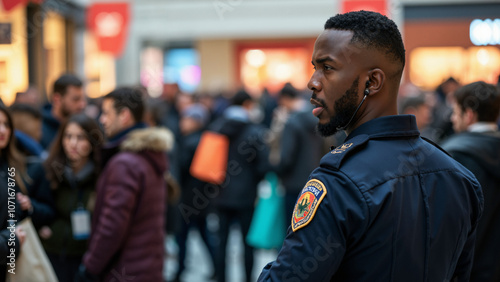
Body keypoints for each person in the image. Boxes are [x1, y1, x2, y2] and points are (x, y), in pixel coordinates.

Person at [258, 11, 483, 282]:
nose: (312, 82)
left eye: (327, 68)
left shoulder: (338, 182)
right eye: (314, 68)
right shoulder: (460, 177)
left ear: (372, 82)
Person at [77, 87, 173, 281]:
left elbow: (112, 226)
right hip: (146, 267)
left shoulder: (125, 163)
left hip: (125, 270)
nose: (101, 120)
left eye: (106, 113)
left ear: (125, 115)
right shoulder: (146, 154)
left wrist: (90, 267)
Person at [441, 81, 500, 282]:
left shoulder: (454, 157)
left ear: (469, 115)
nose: (452, 118)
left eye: (456, 112)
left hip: (467, 270)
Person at [210, 90, 270, 282]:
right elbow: (263, 165)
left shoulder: (217, 128)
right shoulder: (255, 131)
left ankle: (221, 278)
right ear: (246, 105)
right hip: (247, 195)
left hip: (220, 193)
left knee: (222, 242)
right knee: (247, 243)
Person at [39, 113, 102, 282]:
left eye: (81, 137)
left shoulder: (102, 174)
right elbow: (38, 205)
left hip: (86, 257)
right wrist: (41, 226)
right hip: (52, 252)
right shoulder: (49, 169)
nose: (73, 143)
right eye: (68, 136)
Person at [173, 103, 216, 282]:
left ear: (196, 121)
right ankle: (217, 266)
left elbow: (181, 171)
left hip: (188, 198)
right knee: (205, 235)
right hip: (202, 198)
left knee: (181, 236)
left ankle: (180, 270)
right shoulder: (205, 139)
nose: (182, 122)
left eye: (186, 118)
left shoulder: (189, 142)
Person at [273, 83, 325, 221]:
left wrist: (276, 170)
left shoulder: (292, 123)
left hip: (293, 183)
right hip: (314, 182)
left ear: (284, 99)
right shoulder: (318, 118)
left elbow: (286, 158)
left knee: (292, 227)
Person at [0, 104, 26, 282]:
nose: (3, 130)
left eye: (6, 124)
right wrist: (12, 240)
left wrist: (27, 208)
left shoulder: (9, 165)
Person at [41, 74, 86, 149]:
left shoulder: (84, 126)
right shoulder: (40, 130)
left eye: (82, 99)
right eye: (76, 99)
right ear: (57, 99)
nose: (82, 105)